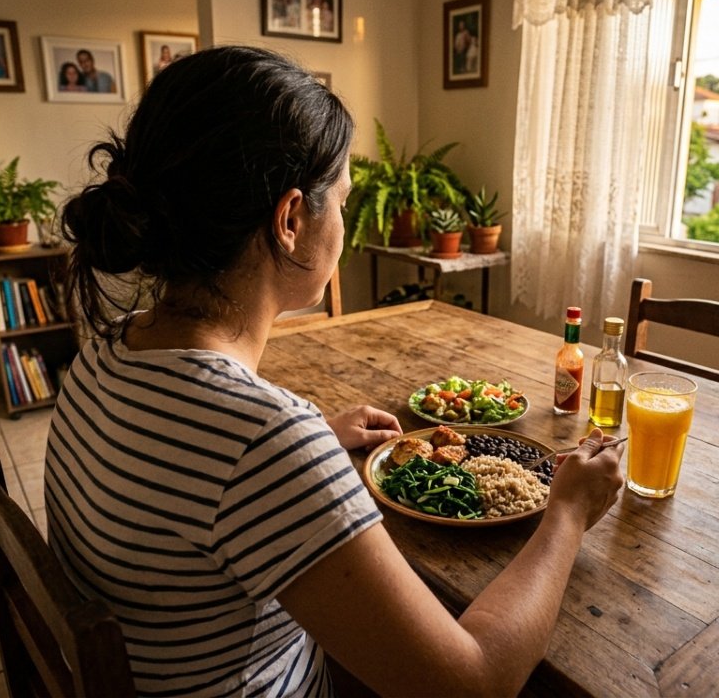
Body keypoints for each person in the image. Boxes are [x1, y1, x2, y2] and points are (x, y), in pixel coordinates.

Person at [46, 45, 624, 697]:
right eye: (343, 201)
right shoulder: (264, 442)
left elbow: (191, 475)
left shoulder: (110, 346)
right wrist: (567, 513)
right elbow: (474, 685)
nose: (345, 225)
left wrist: (316, 436)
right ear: (291, 220)